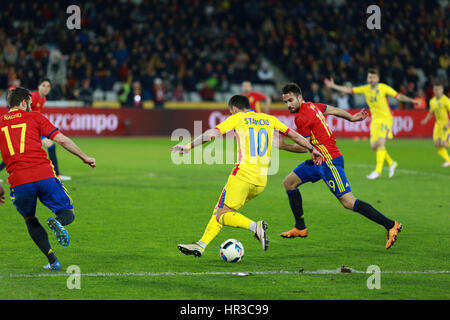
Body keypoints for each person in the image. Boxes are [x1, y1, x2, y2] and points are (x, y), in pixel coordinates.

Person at [174, 94, 323, 257]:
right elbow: (294, 136)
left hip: (242, 175)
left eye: (232, 112)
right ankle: (200, 245)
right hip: (260, 181)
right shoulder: (269, 119)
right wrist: (312, 149)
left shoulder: (238, 118)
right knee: (221, 208)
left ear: (235, 109)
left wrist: (189, 146)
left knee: (222, 214)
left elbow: (211, 134)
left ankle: (255, 227)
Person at [278, 83, 402, 250]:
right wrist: (351, 117)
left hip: (329, 161)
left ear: (299, 97)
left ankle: (391, 225)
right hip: (318, 161)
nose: (288, 105)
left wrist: (282, 145)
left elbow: (304, 147)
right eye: (285, 102)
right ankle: (300, 227)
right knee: (289, 182)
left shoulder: (302, 116)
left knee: (348, 202)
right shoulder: (312, 105)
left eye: (291, 100)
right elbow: (333, 110)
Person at [0, 87, 96, 270]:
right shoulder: (35, 117)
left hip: (19, 182)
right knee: (68, 212)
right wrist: (84, 157)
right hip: (44, 175)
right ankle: (58, 222)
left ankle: (53, 261)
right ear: (23, 102)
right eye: (28, 102)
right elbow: (62, 140)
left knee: (30, 219)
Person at [324, 68, 419, 180]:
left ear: (377, 78)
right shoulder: (365, 89)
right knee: (374, 146)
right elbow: (349, 90)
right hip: (375, 120)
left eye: (374, 77)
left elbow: (398, 96)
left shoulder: (384, 88)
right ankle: (391, 163)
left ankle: (378, 171)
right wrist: (334, 86)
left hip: (386, 119)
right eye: (370, 77)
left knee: (380, 143)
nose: (372, 79)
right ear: (367, 78)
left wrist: (412, 101)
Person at [0, 78, 72, 181]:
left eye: (48, 86)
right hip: (26, 127)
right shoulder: (33, 97)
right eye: (43, 85)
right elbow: (17, 108)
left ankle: (56, 174)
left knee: (50, 145)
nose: (46, 88)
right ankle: (55, 174)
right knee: (14, 152)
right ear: (38, 86)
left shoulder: (43, 99)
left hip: (33, 128)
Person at [421, 83, 450, 167]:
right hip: (438, 125)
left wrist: (448, 124)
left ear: (442, 90)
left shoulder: (446, 100)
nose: (436, 91)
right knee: (437, 144)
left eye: (438, 89)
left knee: (444, 144)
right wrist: (425, 120)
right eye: (435, 89)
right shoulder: (432, 101)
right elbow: (431, 113)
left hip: (446, 125)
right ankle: (448, 160)